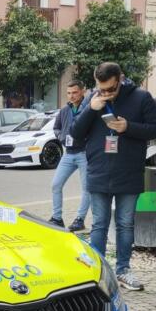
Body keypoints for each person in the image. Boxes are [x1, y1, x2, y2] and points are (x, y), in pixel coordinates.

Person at [70, 62, 156, 291]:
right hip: (99, 171)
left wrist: (128, 127)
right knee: (99, 224)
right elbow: (75, 133)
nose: (106, 93)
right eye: (101, 88)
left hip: (129, 171)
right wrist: (91, 109)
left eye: (111, 89)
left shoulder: (141, 97)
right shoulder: (93, 98)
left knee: (125, 224)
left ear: (120, 79)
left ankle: (123, 270)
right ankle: (98, 273)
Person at [49, 80, 90, 232]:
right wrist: (60, 136)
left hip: (84, 153)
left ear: (82, 91)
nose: (71, 96)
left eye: (75, 92)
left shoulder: (88, 108)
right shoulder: (65, 110)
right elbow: (56, 127)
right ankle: (57, 218)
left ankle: (80, 220)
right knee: (56, 184)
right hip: (68, 154)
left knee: (87, 188)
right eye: (68, 93)